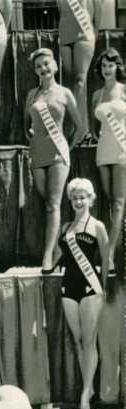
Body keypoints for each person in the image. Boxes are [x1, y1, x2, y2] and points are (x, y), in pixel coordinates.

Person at [51, 178, 108, 409]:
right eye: (74, 198)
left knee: (89, 341)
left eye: (82, 197)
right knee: (77, 341)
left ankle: (85, 396)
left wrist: (102, 290)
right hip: (69, 287)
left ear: (90, 199)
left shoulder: (97, 226)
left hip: (90, 287)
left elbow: (106, 259)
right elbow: (56, 256)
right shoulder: (65, 227)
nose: (78, 201)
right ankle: (90, 389)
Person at [24, 48, 83, 272]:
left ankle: (47, 257)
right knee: (48, 203)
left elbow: (80, 127)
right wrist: (34, 138)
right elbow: (26, 125)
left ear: (55, 66)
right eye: (38, 66)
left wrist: (67, 146)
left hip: (59, 153)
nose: (43, 68)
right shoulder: (32, 95)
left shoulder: (65, 93)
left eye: (46, 64)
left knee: (52, 204)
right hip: (38, 153)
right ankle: (59, 250)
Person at [91, 48, 126, 275]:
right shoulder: (97, 95)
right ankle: (116, 247)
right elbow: (95, 128)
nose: (107, 69)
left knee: (119, 203)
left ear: (117, 67)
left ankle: (110, 254)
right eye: (103, 66)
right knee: (110, 201)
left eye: (110, 65)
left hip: (122, 149)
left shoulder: (124, 90)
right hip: (104, 150)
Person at [57, 0, 102, 135]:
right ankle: (79, 126)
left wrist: (95, 31)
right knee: (71, 83)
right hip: (65, 34)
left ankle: (79, 130)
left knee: (79, 82)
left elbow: (98, 8)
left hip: (84, 33)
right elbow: (60, 9)